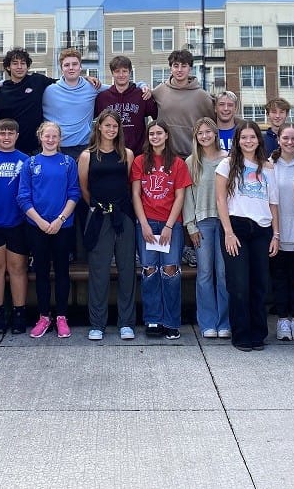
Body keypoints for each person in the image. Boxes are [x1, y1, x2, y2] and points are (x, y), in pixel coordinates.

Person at [216, 121, 280, 351]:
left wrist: (276, 234)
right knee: (239, 284)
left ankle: (258, 334)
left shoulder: (268, 167)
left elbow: (273, 203)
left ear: (258, 140)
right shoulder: (227, 164)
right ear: (237, 140)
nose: (248, 141)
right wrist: (228, 232)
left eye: (252, 137)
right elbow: (220, 199)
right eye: (244, 137)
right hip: (237, 228)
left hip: (262, 229)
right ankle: (241, 335)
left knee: (259, 284)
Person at [17, 121, 81, 339]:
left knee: (62, 271)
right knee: (41, 272)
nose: (51, 139)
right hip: (37, 226)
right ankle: (44, 316)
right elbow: (23, 197)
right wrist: (40, 221)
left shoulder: (68, 163)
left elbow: (74, 193)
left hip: (63, 226)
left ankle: (62, 316)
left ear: (60, 139)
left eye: (55, 136)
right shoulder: (30, 163)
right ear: (40, 137)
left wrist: (60, 219)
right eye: (47, 136)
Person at [79, 110, 137, 341]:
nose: (111, 129)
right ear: (99, 127)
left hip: (123, 216)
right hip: (98, 216)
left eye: (115, 126)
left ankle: (126, 323)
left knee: (127, 269)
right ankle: (97, 324)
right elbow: (84, 188)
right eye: (108, 125)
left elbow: (129, 184)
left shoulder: (127, 154)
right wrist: (96, 207)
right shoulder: (87, 156)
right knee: (99, 271)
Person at [131, 120, 192, 340]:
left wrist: (169, 225)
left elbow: (180, 196)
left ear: (166, 135)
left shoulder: (177, 163)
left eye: (159, 133)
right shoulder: (140, 161)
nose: (155, 137)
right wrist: (144, 224)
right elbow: (136, 194)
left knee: (170, 270)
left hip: (170, 224)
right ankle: (153, 319)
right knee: (149, 270)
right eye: (152, 134)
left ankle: (171, 321)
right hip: (147, 223)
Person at [0, 119, 30, 334]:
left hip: (18, 222)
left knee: (18, 269)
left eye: (10, 133)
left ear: (17, 135)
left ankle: (19, 313)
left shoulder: (26, 160)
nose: (6, 137)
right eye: (2, 133)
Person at [182, 117, 229, 339]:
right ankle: (208, 323)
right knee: (205, 273)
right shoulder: (191, 162)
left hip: (225, 222)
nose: (204, 136)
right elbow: (187, 196)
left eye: (208, 132)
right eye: (200, 133)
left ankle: (225, 322)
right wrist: (191, 225)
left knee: (224, 272)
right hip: (202, 222)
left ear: (215, 134)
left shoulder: (228, 159)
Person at [270, 124, 294, 342]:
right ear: (278, 139)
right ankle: (283, 319)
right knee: (279, 277)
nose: (290, 142)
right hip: (277, 230)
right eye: (285, 138)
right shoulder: (269, 164)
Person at [0, 48, 57, 156]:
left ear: (27, 66)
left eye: (23, 63)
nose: (19, 67)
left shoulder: (37, 81)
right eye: (15, 63)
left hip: (36, 149)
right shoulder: (0, 91)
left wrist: (83, 80)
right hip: (8, 149)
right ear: (8, 67)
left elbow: (63, 83)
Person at [151, 49, 215, 158]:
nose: (179, 70)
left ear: (190, 68)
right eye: (176, 66)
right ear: (170, 68)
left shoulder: (202, 96)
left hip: (193, 156)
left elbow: (217, 120)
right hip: (166, 156)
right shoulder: (160, 91)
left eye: (184, 66)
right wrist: (142, 86)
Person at [43, 47, 100, 159]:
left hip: (84, 148)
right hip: (56, 147)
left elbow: (117, 88)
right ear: (61, 68)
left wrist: (138, 86)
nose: (71, 68)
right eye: (66, 65)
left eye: (75, 64)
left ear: (80, 67)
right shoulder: (49, 91)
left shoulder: (92, 87)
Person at [94, 54, 158, 153]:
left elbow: (157, 117)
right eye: (117, 71)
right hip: (111, 152)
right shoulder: (102, 97)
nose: (121, 75)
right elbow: (94, 122)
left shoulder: (142, 94)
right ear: (112, 73)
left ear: (130, 72)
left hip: (138, 151)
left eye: (124, 71)